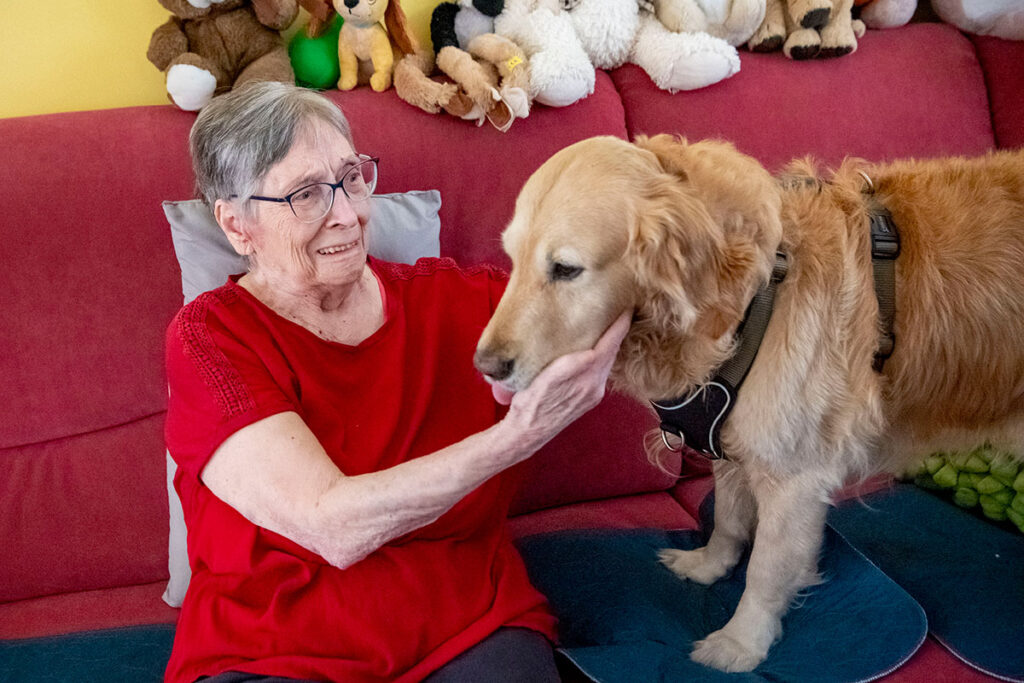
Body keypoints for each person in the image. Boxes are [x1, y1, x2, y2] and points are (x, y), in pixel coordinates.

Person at [163, 81, 630, 683]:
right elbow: (330, 523)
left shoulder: (457, 303)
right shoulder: (210, 339)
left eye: (350, 177)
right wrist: (518, 436)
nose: (348, 213)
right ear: (237, 225)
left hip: (467, 627)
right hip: (273, 649)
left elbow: (629, 292)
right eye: (305, 194)